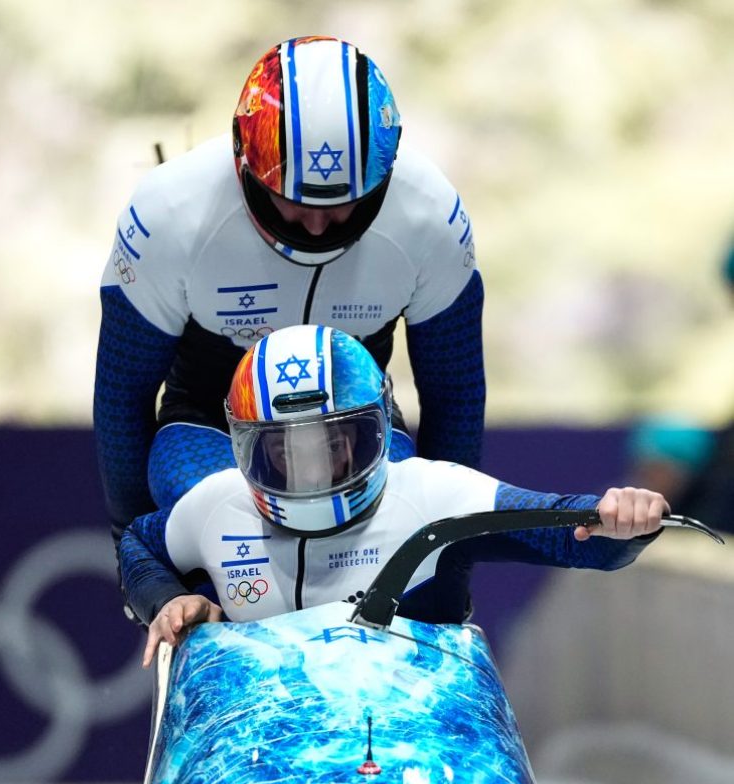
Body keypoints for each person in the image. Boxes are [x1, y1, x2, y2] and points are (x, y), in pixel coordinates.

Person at [94, 35, 487, 551]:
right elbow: (122, 397)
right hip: (210, 428)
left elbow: (453, 396)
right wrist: (141, 557)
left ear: (383, 179)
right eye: (295, 204)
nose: (319, 227)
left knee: (399, 504)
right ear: (245, 165)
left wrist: (446, 560)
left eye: (341, 205)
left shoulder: (429, 214)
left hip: (358, 434)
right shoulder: (170, 213)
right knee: (202, 503)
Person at [116, 325, 670, 666]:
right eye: (286, 451)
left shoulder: (432, 493)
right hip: (264, 763)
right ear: (247, 450)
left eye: (332, 445)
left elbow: (576, 537)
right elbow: (139, 544)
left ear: (374, 432)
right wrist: (164, 598)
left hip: (414, 750)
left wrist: (626, 520)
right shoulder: (217, 505)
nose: (311, 473)